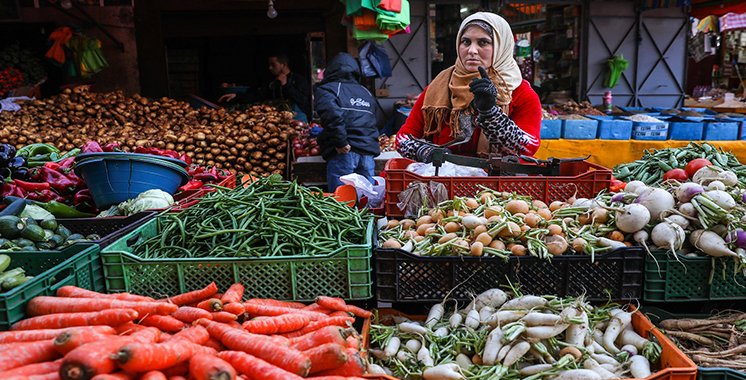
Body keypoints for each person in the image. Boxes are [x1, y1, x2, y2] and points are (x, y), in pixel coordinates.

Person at [396, 12, 541, 163]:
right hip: (444, 180)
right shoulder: (438, 87)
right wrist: (424, 151)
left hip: (497, 181)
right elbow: (402, 138)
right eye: (465, 42)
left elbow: (529, 147)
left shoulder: (520, 93)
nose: (472, 50)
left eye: (483, 42)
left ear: (501, 46)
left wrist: (491, 114)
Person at [314, 52, 380, 192]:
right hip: (367, 153)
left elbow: (331, 115)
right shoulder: (365, 92)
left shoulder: (327, 89)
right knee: (367, 200)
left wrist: (340, 142)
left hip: (344, 152)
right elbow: (374, 119)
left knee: (342, 203)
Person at [219, 53, 312, 122]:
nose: (270, 68)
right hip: (276, 122)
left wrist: (286, 85)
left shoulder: (300, 80)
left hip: (297, 121)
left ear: (283, 64)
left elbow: (302, 99)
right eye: (269, 65)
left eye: (273, 65)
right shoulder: (271, 82)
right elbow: (258, 96)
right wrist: (236, 96)